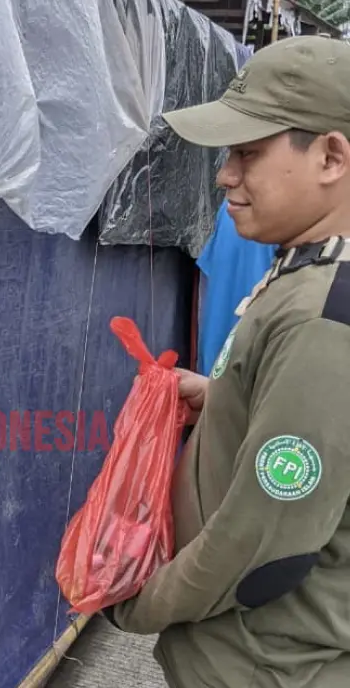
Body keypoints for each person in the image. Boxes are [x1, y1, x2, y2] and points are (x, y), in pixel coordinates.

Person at [105, 35, 350, 687]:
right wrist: (225, 395)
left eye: (247, 153)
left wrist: (136, 601)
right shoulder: (307, 277)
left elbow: (264, 547)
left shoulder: (322, 318)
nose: (224, 174)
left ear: (331, 156)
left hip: (257, 664)